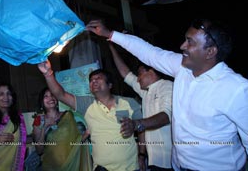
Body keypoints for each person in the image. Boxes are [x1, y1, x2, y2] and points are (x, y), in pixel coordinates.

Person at [86, 19, 248, 171]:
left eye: (190, 42)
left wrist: (137, 124)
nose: (182, 46)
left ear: (210, 51)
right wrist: (110, 34)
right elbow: (149, 52)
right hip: (179, 165)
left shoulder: (235, 88)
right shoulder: (182, 68)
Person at [37, 61, 145, 171]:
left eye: (98, 78)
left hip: (131, 167)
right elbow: (61, 94)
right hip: (101, 169)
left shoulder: (129, 103)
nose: (93, 81)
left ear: (110, 85)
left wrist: (142, 155)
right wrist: (48, 73)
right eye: (91, 80)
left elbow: (142, 129)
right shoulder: (86, 104)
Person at [109, 43, 174, 171]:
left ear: (152, 71)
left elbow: (166, 116)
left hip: (170, 161)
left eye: (140, 74)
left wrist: (136, 124)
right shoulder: (146, 92)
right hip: (154, 161)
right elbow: (125, 73)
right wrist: (111, 45)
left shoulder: (167, 86)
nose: (137, 79)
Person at [32, 87, 92, 171]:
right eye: (46, 96)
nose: (51, 98)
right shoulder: (39, 121)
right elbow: (39, 150)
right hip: (51, 166)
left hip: (71, 163)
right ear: (42, 101)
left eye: (53, 95)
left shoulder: (67, 116)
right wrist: (45, 127)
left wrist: (86, 133)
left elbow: (75, 141)